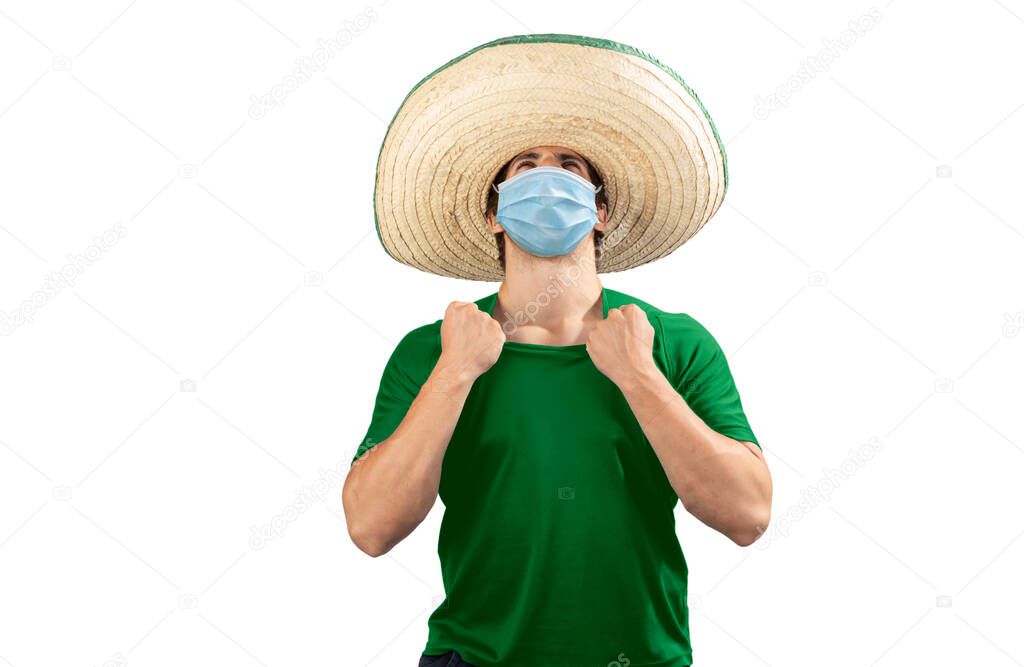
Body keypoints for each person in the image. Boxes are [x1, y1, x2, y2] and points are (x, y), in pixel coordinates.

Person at [343, 35, 773, 667]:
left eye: (570, 165)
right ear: (494, 212)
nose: (549, 176)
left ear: (600, 211)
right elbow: (371, 528)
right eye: (526, 166)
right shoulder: (430, 352)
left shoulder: (675, 343)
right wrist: (455, 372)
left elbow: (748, 515)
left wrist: (639, 377)